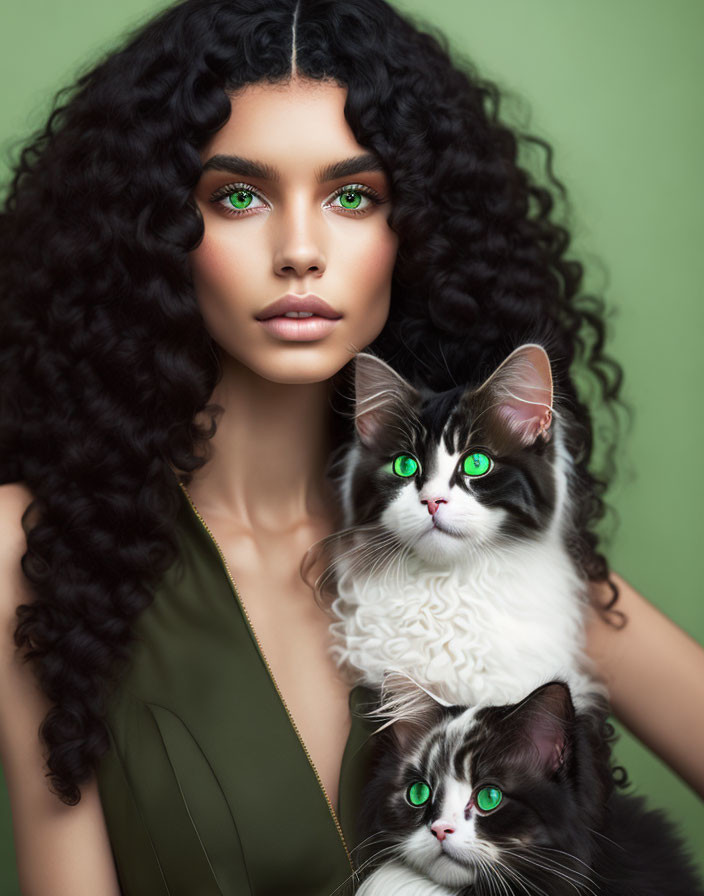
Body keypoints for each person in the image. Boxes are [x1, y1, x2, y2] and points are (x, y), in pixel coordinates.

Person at [0, 0, 702, 893]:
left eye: (353, 196)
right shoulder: (34, 551)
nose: (300, 250)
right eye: (239, 196)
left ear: (417, 231)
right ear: (152, 231)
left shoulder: (494, 549)